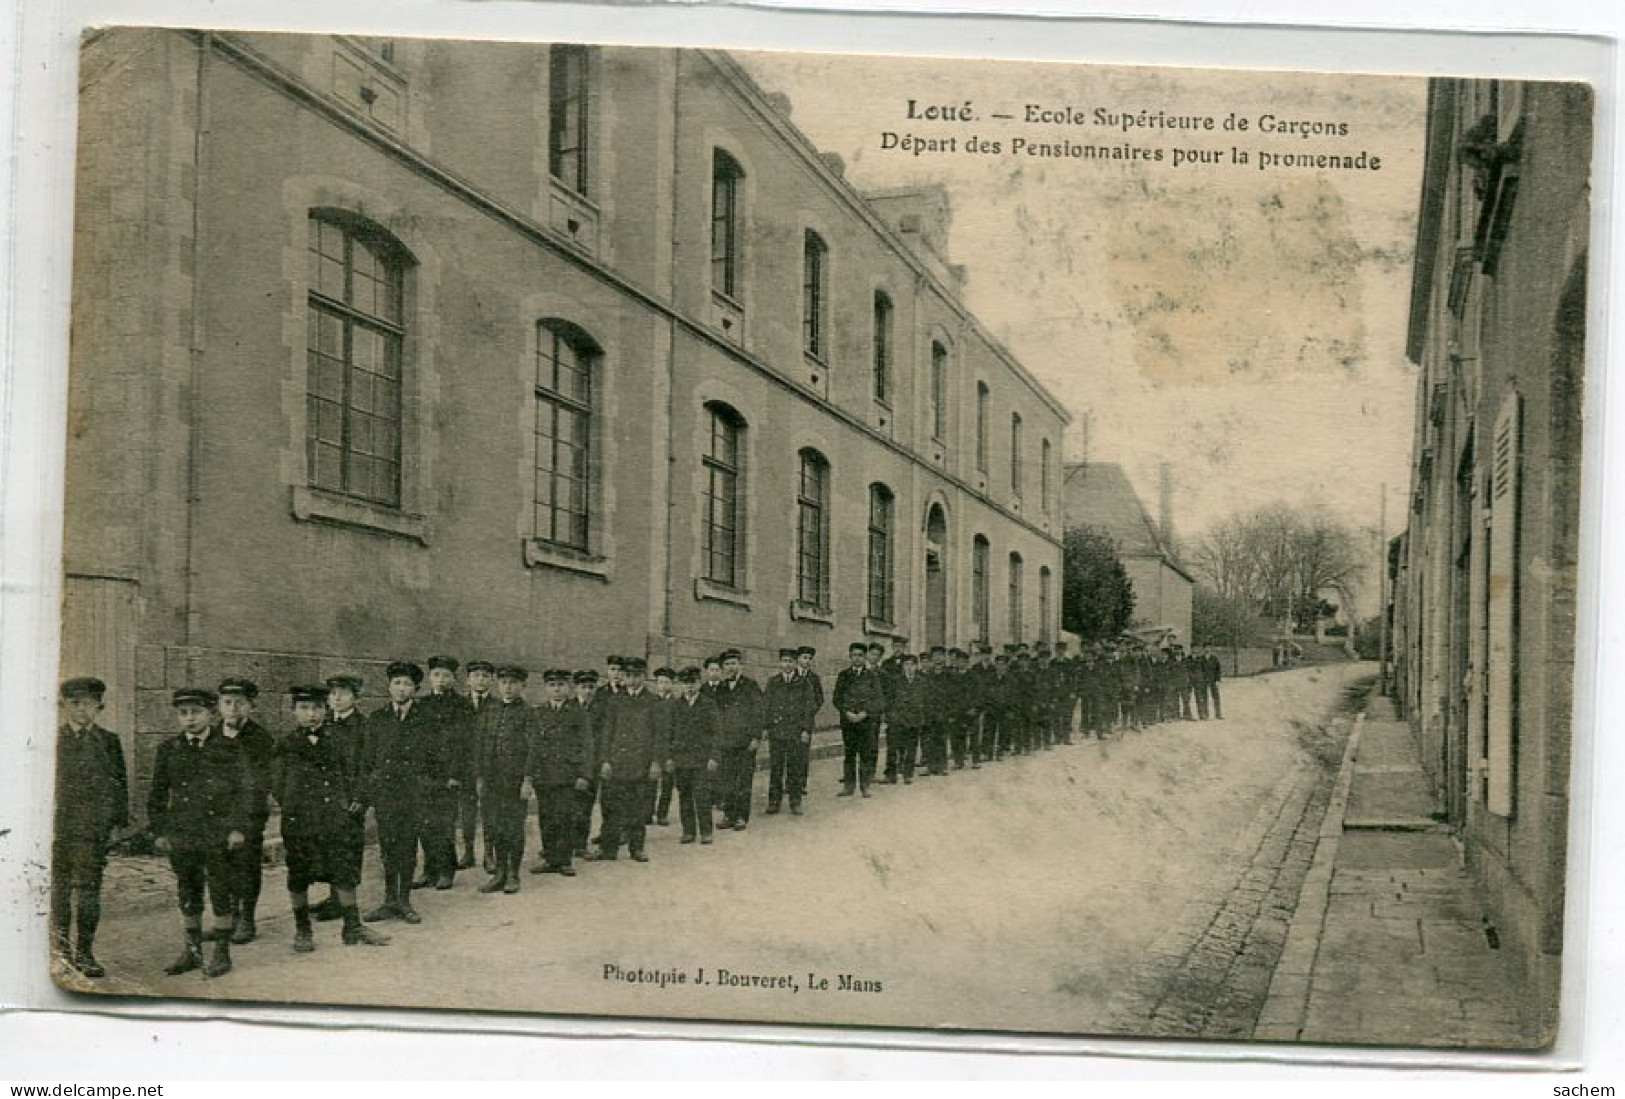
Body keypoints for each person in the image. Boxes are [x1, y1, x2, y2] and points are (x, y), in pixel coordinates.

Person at [147, 687, 253, 978]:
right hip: (183, 833)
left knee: (221, 890)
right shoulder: (169, 750)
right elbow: (157, 795)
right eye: (184, 713)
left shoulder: (229, 748)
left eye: (196, 712)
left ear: (211, 714)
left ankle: (221, 953)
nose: (190, 719)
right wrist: (160, 831)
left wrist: (237, 828)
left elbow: (244, 793)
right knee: (188, 891)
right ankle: (192, 952)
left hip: (218, 833)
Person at [273, 686, 389, 952]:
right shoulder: (286, 745)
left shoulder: (339, 741)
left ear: (325, 710)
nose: (311, 714)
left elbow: (355, 773)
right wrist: (296, 808)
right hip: (300, 821)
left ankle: (352, 927)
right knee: (299, 874)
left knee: (344, 871)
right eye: (304, 708)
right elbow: (278, 785)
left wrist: (349, 805)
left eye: (316, 708)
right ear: (293, 712)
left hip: (335, 819)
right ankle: (303, 930)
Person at [52, 677, 128, 980]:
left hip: (91, 828)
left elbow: (119, 785)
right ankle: (61, 951)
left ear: (100, 707)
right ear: (64, 705)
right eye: (75, 703)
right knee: (57, 890)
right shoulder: (52, 740)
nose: (82, 710)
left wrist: (117, 824)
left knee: (87, 890)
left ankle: (85, 951)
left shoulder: (109, 742)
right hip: (57, 828)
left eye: (89, 704)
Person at [365, 662, 448, 925]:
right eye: (397, 683)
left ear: (416, 688)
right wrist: (373, 788)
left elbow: (438, 759)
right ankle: (389, 900)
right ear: (389, 687)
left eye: (408, 684)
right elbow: (368, 759)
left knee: (408, 846)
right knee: (388, 847)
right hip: (386, 795)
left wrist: (428, 786)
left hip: (415, 795)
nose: (402, 689)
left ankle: (404, 900)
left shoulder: (428, 719)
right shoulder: (377, 719)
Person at [215, 678, 276, 945]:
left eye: (239, 703)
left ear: (251, 706)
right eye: (227, 703)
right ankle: (227, 919)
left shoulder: (260, 739)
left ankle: (247, 919)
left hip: (249, 815)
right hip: (216, 816)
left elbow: (259, 785)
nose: (233, 709)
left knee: (246, 866)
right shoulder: (212, 735)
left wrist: (243, 821)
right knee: (220, 868)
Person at [592, 658, 665, 862]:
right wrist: (605, 760)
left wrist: (656, 763)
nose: (632, 680)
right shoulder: (615, 700)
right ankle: (608, 849)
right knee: (611, 808)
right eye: (629, 676)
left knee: (637, 809)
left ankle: (637, 848)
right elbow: (607, 732)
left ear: (644, 676)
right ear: (623, 677)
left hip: (641, 764)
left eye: (637, 675)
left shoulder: (653, 701)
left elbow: (660, 735)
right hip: (616, 763)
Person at [311, 674, 367, 923]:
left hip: (350, 798)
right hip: (328, 797)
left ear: (355, 697)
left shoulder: (362, 726)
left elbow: (368, 766)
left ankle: (344, 902)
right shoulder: (325, 725)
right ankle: (334, 895)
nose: (337, 698)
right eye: (333, 694)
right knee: (329, 846)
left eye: (343, 693)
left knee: (348, 848)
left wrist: (361, 797)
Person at [476, 664, 535, 894]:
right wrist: (480, 777)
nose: (508, 688)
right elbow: (480, 746)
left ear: (522, 686)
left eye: (513, 683)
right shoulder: (490, 710)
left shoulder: (528, 712)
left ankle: (513, 874)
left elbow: (533, 749)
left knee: (514, 827)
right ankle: (499, 873)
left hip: (515, 780)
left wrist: (527, 779)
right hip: (492, 780)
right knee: (496, 825)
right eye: (504, 683)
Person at [529, 669, 593, 876]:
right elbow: (533, 745)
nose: (557, 689)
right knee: (546, 818)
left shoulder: (578, 712)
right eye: (552, 685)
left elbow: (586, 745)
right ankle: (549, 858)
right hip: (544, 775)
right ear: (546, 688)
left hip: (567, 775)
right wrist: (530, 775)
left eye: (561, 685)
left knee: (565, 817)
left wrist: (584, 774)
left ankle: (564, 860)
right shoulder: (539, 712)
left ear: (568, 688)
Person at [416, 655, 471, 890]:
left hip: (449, 774)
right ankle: (429, 870)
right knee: (424, 823)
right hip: (425, 774)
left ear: (454, 679)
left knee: (444, 823)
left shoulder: (462, 706)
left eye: (446, 675)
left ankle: (447, 870)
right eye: (436, 675)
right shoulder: (421, 705)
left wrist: (456, 774)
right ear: (430, 678)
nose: (440, 680)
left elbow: (465, 745)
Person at [666, 667, 721, 843]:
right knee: (685, 795)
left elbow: (717, 732)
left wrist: (714, 756)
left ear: (699, 683)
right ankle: (688, 831)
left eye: (693, 682)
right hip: (681, 759)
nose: (689, 686)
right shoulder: (676, 705)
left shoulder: (708, 704)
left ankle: (706, 831)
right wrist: (670, 757)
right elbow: (669, 733)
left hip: (701, 758)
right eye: (686, 683)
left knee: (702, 795)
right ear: (681, 685)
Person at [712, 649, 764, 829]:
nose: (730, 667)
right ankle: (728, 814)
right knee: (726, 780)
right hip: (726, 742)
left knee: (743, 781)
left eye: (734, 663)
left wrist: (755, 737)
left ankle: (741, 816)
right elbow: (716, 715)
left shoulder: (751, 686)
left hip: (745, 742)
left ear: (740, 665)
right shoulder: (721, 687)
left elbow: (758, 713)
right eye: (727, 664)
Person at [833, 642, 885, 797]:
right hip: (848, 721)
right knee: (849, 754)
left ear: (864, 658)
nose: (857, 659)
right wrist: (846, 712)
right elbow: (837, 698)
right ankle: (848, 787)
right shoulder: (843, 675)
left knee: (865, 754)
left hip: (865, 722)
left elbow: (878, 699)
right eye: (854, 655)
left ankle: (865, 786)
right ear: (850, 657)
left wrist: (865, 713)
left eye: (860, 655)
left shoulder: (872, 676)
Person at [763, 648, 809, 814]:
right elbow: (766, 706)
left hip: (795, 731)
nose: (787, 665)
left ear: (795, 663)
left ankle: (795, 802)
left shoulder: (803, 683)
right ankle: (774, 801)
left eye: (790, 661)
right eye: (784, 661)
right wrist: (766, 727)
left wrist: (805, 729)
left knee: (794, 768)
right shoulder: (773, 682)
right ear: (779, 663)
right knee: (776, 768)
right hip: (777, 731)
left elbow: (808, 708)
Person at [462, 660, 496, 871]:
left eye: (485, 676)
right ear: (468, 680)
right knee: (467, 812)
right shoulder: (460, 705)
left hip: (491, 768)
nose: (480, 680)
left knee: (489, 811)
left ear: (491, 680)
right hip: (466, 767)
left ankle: (489, 855)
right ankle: (467, 852)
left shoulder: (497, 705)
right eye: (476, 676)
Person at [886, 654, 930, 783]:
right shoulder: (895, 681)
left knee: (911, 748)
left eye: (912, 664)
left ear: (916, 666)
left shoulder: (922, 682)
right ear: (902, 667)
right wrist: (891, 717)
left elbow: (926, 701)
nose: (909, 668)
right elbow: (889, 700)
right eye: (906, 665)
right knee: (893, 748)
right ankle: (891, 774)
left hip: (914, 720)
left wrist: (922, 717)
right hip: (897, 720)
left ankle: (908, 774)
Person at [645, 667, 677, 827]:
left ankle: (662, 813)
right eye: (660, 682)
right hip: (652, 747)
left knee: (667, 783)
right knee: (650, 781)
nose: (663, 685)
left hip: (669, 748)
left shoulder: (676, 704)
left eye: (666, 682)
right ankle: (647, 812)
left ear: (672, 684)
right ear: (656, 684)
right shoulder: (650, 702)